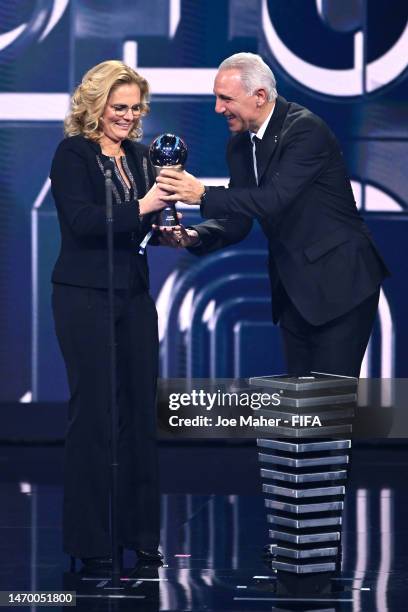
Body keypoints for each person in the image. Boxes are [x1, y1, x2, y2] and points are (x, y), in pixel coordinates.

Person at [156, 52, 389, 378]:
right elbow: (237, 219)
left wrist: (203, 194)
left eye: (226, 99)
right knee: (300, 411)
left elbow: (274, 199)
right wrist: (194, 236)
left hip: (341, 284)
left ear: (260, 96)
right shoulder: (239, 144)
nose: (218, 109)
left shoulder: (305, 131)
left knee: (328, 406)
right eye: (216, 98)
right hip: (294, 289)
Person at [50, 60, 166, 570]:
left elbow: (139, 227)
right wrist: (144, 207)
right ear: (95, 106)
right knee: (96, 416)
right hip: (84, 296)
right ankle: (91, 541)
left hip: (134, 296)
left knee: (141, 414)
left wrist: (168, 230)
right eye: (118, 107)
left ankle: (140, 534)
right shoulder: (72, 154)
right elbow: (82, 221)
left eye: (135, 107)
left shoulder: (141, 157)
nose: (128, 116)